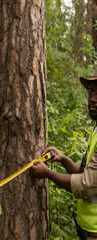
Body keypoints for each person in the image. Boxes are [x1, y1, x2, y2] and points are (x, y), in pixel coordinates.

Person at [32, 74, 97, 239]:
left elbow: (85, 185)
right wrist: (63, 158)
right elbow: (85, 173)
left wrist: (47, 173)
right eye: (91, 92)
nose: (93, 99)